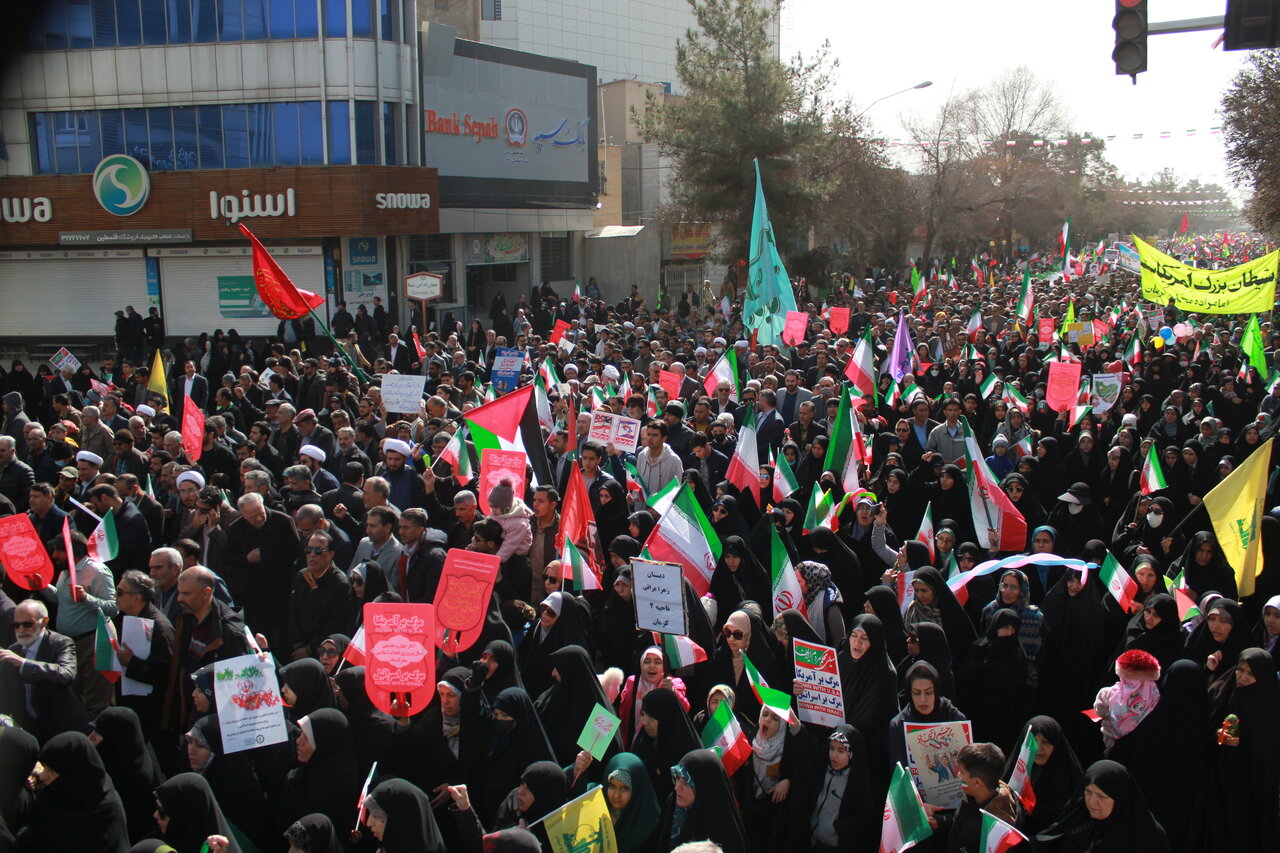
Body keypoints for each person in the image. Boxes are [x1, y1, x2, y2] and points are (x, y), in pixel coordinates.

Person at [1035, 759, 1170, 852]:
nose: (1092, 802)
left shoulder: (1147, 836)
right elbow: (1046, 843)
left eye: (1102, 796)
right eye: (1088, 792)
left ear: (1119, 799)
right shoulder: (1078, 818)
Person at [1, 598, 86, 742]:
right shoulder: (13, 651)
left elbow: (65, 674)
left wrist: (24, 664)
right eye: (16, 625)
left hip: (60, 728)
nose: (21, 630)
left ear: (44, 622)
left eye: (28, 624)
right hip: (29, 730)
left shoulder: (61, 643)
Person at [656, 748, 748, 853]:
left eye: (686, 782)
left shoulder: (726, 833)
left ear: (704, 786)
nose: (677, 787)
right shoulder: (672, 808)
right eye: (676, 778)